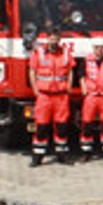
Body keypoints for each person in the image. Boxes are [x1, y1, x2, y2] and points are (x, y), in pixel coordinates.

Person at [28, 29, 75, 164]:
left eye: (56, 39)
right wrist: (35, 89)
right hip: (44, 95)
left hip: (61, 96)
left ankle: (62, 154)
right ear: (47, 39)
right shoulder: (39, 53)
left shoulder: (65, 53)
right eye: (51, 39)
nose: (53, 41)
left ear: (59, 40)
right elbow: (32, 71)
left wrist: (69, 87)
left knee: (62, 126)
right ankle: (37, 156)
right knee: (41, 126)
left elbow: (70, 71)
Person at [79, 41, 103, 156]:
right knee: (87, 123)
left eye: (100, 47)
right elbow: (81, 75)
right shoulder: (86, 60)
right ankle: (86, 152)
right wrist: (84, 89)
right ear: (93, 48)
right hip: (91, 96)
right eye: (96, 47)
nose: (98, 50)